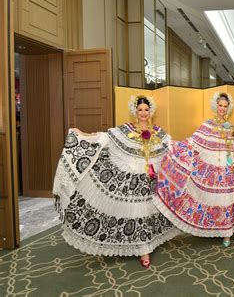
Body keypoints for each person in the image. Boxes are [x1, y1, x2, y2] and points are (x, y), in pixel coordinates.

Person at [53, 95, 179, 269]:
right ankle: (144, 250)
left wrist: (192, 146)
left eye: (146, 110)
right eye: (140, 110)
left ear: (151, 112)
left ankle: (149, 243)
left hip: (152, 179)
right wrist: (82, 134)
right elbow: (104, 138)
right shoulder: (126, 130)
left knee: (151, 211)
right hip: (134, 180)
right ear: (135, 111)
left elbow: (173, 146)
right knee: (137, 212)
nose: (143, 113)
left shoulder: (158, 131)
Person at [153, 92, 234, 247]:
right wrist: (175, 146)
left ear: (228, 108)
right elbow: (194, 142)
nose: (222, 109)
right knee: (212, 199)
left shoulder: (230, 127)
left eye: (225, 106)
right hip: (211, 168)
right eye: (220, 106)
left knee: (225, 199)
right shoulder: (207, 124)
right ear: (215, 106)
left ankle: (226, 233)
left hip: (228, 170)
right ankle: (213, 228)